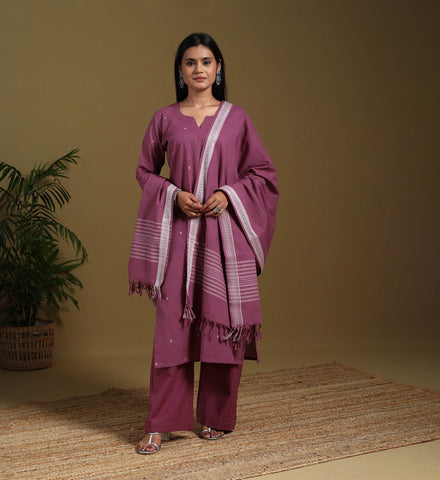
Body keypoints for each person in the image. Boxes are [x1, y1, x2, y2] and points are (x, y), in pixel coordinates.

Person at [128, 32, 279, 454]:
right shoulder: (164, 118)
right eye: (191, 62)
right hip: (178, 235)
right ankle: (161, 422)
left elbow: (263, 174)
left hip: (223, 236)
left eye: (207, 61)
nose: (199, 69)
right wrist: (174, 194)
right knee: (171, 329)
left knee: (221, 328)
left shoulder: (237, 118)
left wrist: (228, 194)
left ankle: (216, 415)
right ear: (180, 70)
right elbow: (144, 171)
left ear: (218, 68)